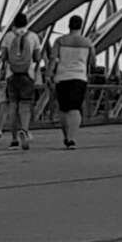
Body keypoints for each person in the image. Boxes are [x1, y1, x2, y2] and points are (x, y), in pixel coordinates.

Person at [42, 15, 96, 148]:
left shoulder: (60, 41)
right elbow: (93, 62)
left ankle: (66, 135)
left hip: (62, 77)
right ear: (81, 26)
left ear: (69, 25)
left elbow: (53, 59)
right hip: (79, 77)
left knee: (64, 109)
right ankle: (71, 138)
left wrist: (48, 75)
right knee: (75, 108)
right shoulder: (88, 43)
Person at [0, 26, 43, 150]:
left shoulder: (8, 36)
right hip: (28, 75)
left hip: (11, 75)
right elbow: (38, 58)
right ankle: (24, 130)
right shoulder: (33, 36)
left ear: (14, 24)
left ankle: (13, 140)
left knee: (13, 105)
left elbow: (3, 57)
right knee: (25, 106)